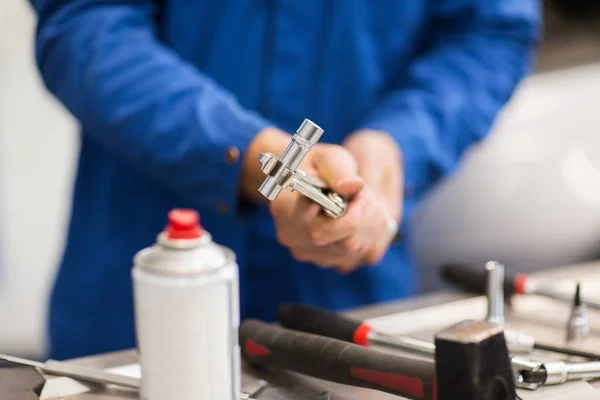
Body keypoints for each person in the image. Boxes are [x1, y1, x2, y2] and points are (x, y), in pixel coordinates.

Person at [29, 0, 541, 360]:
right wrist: (239, 151)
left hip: (347, 295)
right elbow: (85, 23)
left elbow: (490, 31)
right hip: (140, 295)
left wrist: (395, 147)